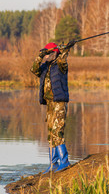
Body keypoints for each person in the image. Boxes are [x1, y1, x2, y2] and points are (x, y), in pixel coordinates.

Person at [30, 41, 75, 173]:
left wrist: (66, 49)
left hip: (59, 103)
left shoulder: (61, 65)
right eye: (47, 53)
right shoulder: (44, 67)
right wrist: (40, 56)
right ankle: (53, 164)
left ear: (55, 52)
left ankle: (65, 161)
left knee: (57, 131)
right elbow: (34, 69)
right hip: (49, 104)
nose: (48, 56)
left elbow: (63, 58)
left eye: (50, 53)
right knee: (51, 133)